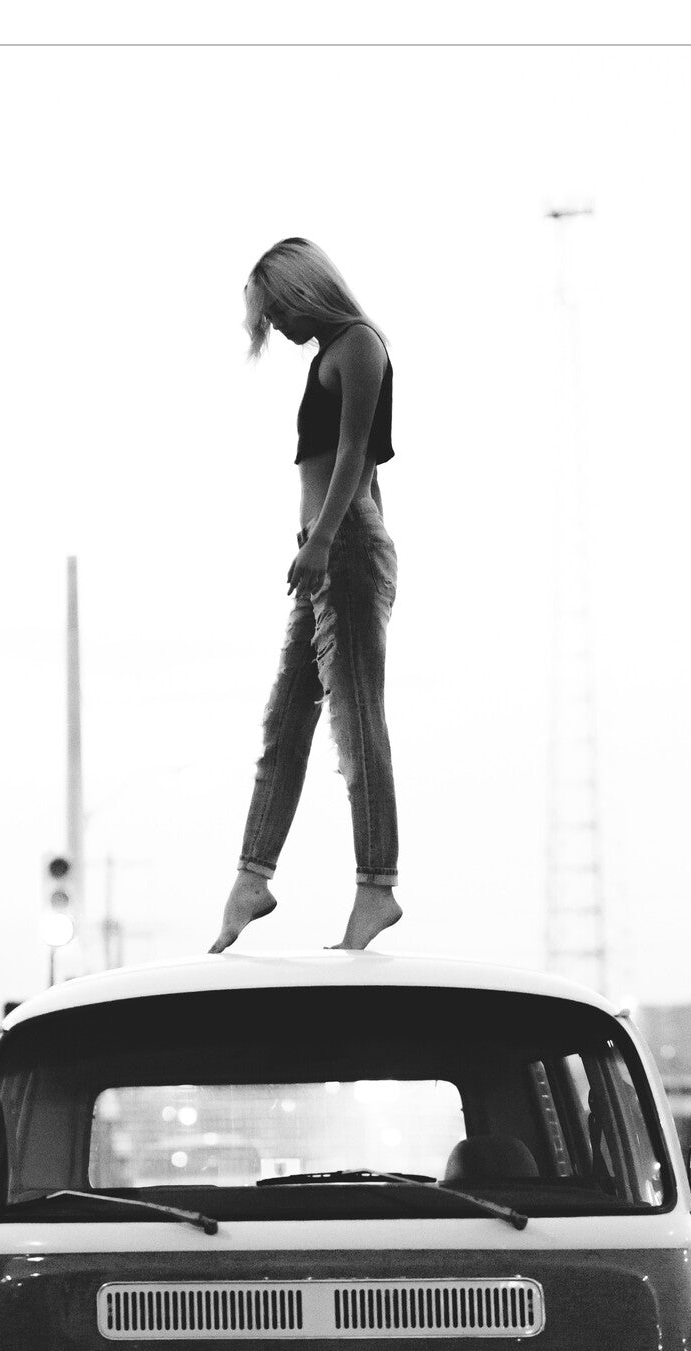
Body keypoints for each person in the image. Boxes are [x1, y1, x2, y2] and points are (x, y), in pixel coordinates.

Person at [210, 237, 402, 953]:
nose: (279, 329)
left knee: (356, 726)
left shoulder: (357, 344)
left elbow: (354, 455)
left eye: (279, 311)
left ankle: (376, 885)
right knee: (284, 721)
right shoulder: (328, 352)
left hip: (342, 548)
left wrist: (325, 540)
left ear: (303, 290)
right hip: (323, 554)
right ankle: (251, 877)